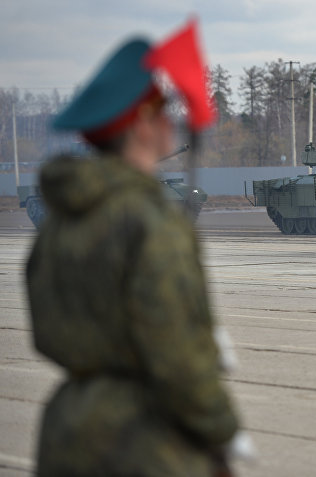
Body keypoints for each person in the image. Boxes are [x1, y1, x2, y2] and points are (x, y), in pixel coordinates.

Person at [26, 34, 243, 476]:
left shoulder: (63, 219)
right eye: (163, 112)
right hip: (144, 441)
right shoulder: (149, 222)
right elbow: (179, 356)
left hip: (67, 430)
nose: (170, 124)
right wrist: (222, 428)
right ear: (142, 125)